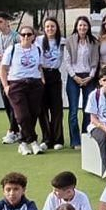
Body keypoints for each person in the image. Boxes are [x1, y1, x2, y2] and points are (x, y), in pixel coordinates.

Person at [65, 15, 99, 149]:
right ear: (76, 26)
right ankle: (75, 141)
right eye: (80, 25)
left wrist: (90, 76)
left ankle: (86, 136)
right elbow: (66, 61)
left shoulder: (93, 42)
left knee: (87, 109)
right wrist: (74, 76)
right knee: (73, 111)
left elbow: (95, 61)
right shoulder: (70, 40)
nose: (82, 27)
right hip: (73, 77)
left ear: (88, 27)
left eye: (85, 25)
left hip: (89, 78)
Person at [0, 12, 21, 144]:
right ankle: (15, 130)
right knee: (6, 103)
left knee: (14, 102)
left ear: (7, 22)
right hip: (3, 74)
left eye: (0, 22)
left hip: (14, 74)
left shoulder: (16, 37)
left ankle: (12, 130)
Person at [37, 16, 66, 150]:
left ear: (56, 28)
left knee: (57, 109)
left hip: (54, 75)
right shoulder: (38, 41)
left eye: (52, 26)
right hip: (41, 75)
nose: (50, 29)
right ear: (44, 28)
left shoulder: (62, 41)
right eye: (47, 26)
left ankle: (58, 139)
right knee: (42, 109)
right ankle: (46, 139)